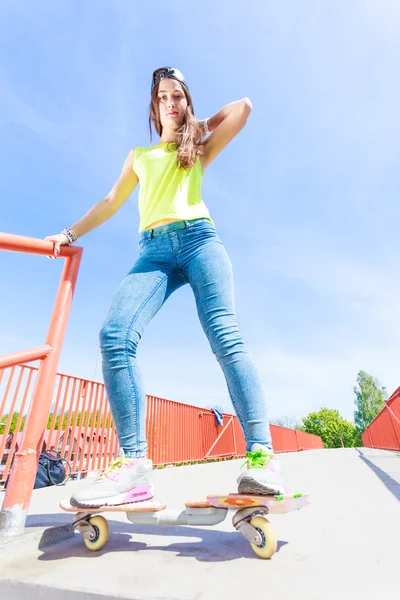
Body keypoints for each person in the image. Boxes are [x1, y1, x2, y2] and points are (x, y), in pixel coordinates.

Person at [45, 67, 285, 508]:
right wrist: (69, 233)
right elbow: (109, 202)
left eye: (178, 96)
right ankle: (134, 466)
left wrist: (199, 125)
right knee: (114, 336)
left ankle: (260, 457)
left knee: (225, 337)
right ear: (153, 108)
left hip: (200, 241)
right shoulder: (139, 156)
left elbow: (243, 108)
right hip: (152, 251)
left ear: (186, 104)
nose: (171, 102)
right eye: (163, 97)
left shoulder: (198, 149)